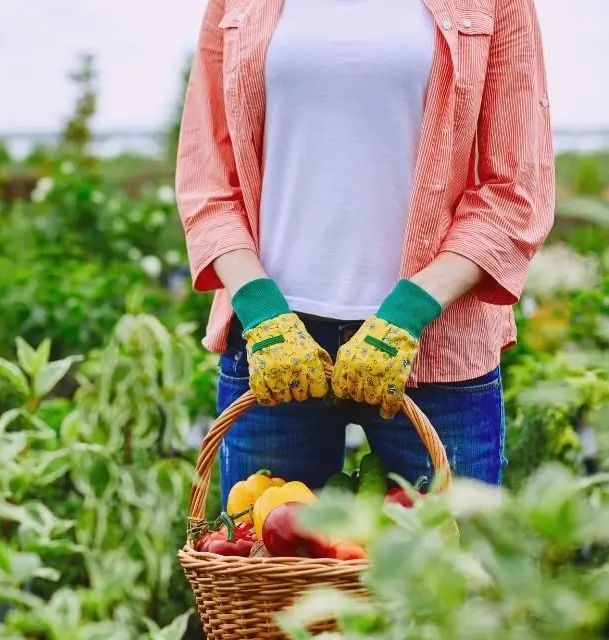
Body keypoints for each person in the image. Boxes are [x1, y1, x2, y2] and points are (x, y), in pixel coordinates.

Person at [176, 0, 555, 501]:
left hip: (433, 345)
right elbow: (207, 178)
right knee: (268, 571)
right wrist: (260, 310)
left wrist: (408, 312)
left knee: (444, 569)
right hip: (272, 345)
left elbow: (515, 188)